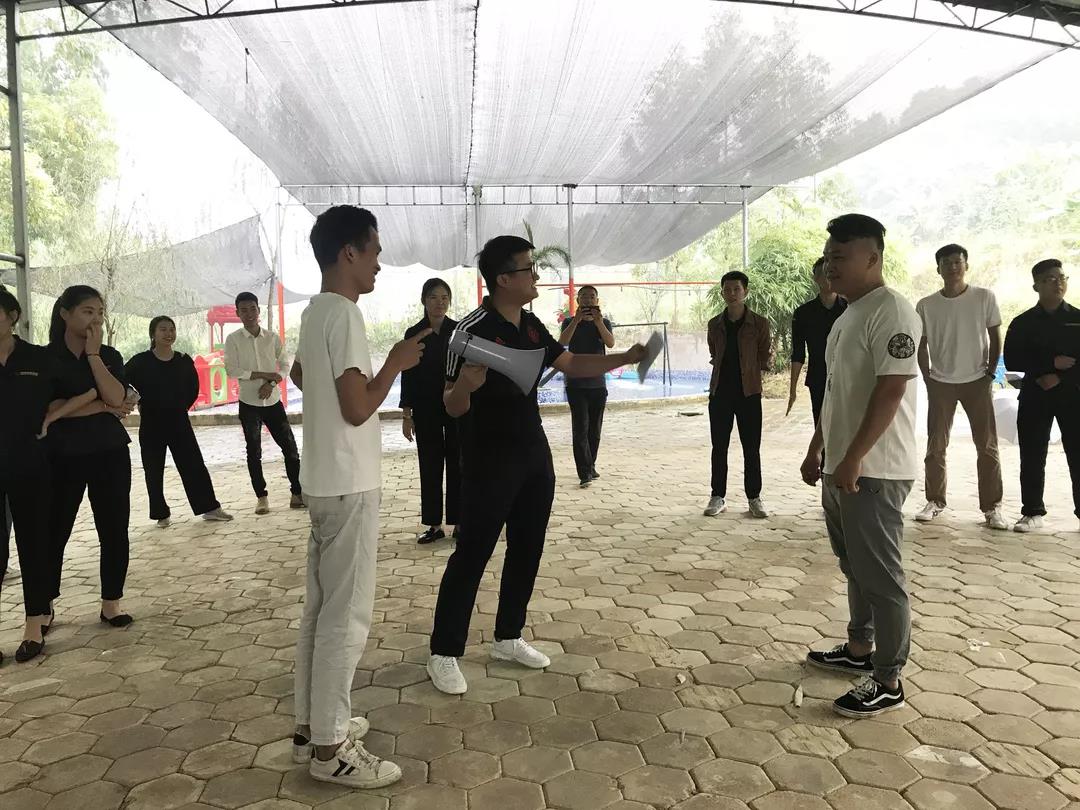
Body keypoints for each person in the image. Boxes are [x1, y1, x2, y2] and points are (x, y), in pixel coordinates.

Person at [425, 235, 647, 696]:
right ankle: (444, 651)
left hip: (532, 452)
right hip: (488, 458)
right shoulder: (469, 332)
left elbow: (570, 362)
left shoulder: (530, 324)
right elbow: (451, 405)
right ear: (504, 279)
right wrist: (465, 386)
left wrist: (624, 358)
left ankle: (508, 636)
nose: (537, 276)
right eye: (529, 269)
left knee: (528, 546)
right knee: (473, 553)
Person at [289, 205, 422, 789]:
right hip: (349, 483)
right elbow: (358, 406)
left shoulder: (314, 310)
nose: (377, 264)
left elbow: (301, 375)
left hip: (323, 480)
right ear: (349, 252)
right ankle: (332, 749)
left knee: (320, 612)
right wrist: (395, 362)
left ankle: (312, 727)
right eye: (374, 252)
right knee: (345, 618)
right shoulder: (344, 313)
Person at [801, 214, 921, 718]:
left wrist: (853, 457)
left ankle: (889, 677)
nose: (831, 265)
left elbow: (891, 390)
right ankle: (858, 649)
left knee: (882, 576)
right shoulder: (848, 314)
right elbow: (835, 393)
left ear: (872, 258)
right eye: (828, 256)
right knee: (855, 565)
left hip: (874, 469)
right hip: (843, 466)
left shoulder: (892, 311)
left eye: (841, 257)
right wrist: (818, 447)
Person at [0, 287, 97, 662]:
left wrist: (52, 416)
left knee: (34, 544)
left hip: (31, 464)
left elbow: (86, 391)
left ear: (12, 316)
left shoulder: (38, 358)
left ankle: (33, 625)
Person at [46, 285, 138, 629]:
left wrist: (94, 356)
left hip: (109, 452)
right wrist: (101, 405)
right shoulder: (45, 358)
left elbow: (117, 397)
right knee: (54, 531)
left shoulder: (109, 355)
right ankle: (43, 605)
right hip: (62, 455)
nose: (95, 320)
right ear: (65, 314)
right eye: (87, 312)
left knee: (114, 529)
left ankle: (111, 603)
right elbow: (49, 410)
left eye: (100, 313)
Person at [914, 244, 1006, 529]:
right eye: (946, 262)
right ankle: (934, 500)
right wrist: (928, 378)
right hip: (941, 382)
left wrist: (990, 373)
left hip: (977, 380)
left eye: (958, 261)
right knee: (936, 446)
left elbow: (995, 336)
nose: (953, 267)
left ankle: (992, 507)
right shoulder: (926, 305)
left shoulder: (984, 297)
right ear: (938, 268)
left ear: (966, 265)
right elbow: (921, 345)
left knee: (987, 446)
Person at [125, 316, 233, 528]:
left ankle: (209, 507)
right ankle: (160, 513)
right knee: (153, 469)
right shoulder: (140, 362)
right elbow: (122, 380)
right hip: (151, 423)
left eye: (171, 329)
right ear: (153, 334)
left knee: (193, 464)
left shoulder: (183, 360)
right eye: (163, 329)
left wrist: (179, 406)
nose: (168, 334)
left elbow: (193, 388)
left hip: (178, 421)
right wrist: (132, 399)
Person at [1003, 259, 1080, 532]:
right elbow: (1013, 359)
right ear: (1036, 286)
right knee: (1032, 454)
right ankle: (1032, 511)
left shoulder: (1077, 319)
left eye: (1062, 277)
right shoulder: (1022, 322)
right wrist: (1048, 366)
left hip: (1072, 395)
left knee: (1078, 454)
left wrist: (1059, 376)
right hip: (1035, 394)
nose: (1058, 283)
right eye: (1050, 279)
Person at [224, 292, 303, 514]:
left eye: (253, 309)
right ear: (237, 313)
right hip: (249, 403)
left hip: (273, 402)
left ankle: (297, 493)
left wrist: (271, 382)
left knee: (290, 448)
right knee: (254, 452)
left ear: (259, 311)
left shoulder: (272, 338)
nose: (249, 314)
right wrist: (261, 374)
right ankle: (261, 497)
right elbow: (231, 370)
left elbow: (285, 366)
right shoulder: (233, 340)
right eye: (244, 310)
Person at [703, 271, 772, 519]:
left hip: (749, 393)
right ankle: (717, 496)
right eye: (727, 289)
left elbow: (764, 354)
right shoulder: (714, 324)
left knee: (751, 448)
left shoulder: (759, 323)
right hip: (720, 393)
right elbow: (714, 352)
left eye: (737, 289)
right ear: (722, 292)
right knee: (719, 446)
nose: (732, 294)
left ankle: (754, 497)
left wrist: (751, 372)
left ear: (746, 292)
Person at [400, 278, 461, 544]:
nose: (440, 302)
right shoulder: (414, 332)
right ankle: (434, 525)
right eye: (434, 297)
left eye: (444, 297)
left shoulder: (458, 330)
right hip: (425, 409)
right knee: (430, 464)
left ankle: (460, 522)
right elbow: (407, 375)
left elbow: (468, 368)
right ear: (424, 300)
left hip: (456, 406)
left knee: (459, 463)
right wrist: (407, 415)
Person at [560, 285, 615, 488]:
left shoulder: (604, 322)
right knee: (580, 428)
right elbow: (562, 342)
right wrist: (576, 321)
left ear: (597, 301)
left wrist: (598, 322)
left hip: (598, 384)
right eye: (583, 296)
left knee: (595, 430)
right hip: (576, 384)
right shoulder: (569, 322)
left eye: (592, 297)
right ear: (577, 301)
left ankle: (591, 465)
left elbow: (610, 343)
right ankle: (584, 472)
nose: (588, 300)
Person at [789, 257, 847, 428]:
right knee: (821, 426)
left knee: (847, 426)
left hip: (847, 375)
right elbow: (798, 353)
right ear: (815, 278)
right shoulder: (803, 313)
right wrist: (792, 390)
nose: (828, 277)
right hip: (818, 377)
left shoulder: (850, 308)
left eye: (832, 272)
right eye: (824, 273)